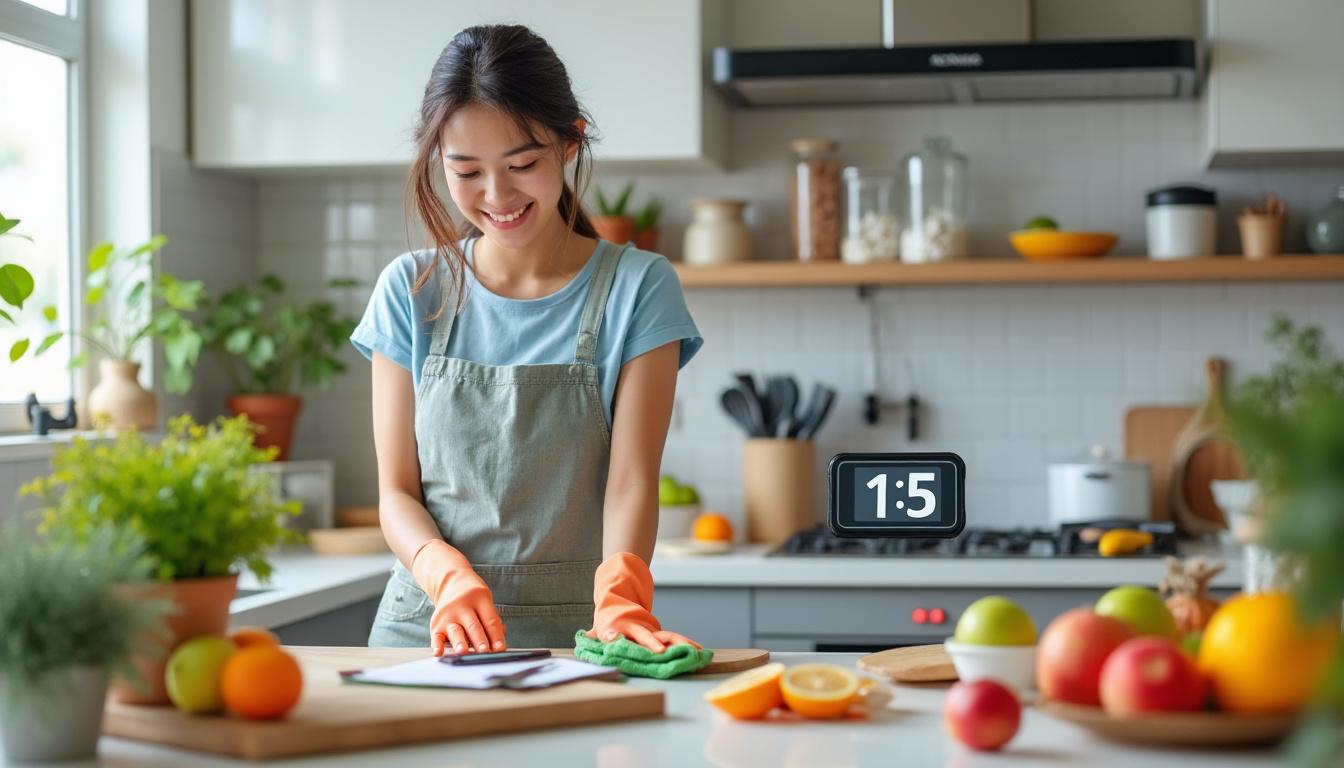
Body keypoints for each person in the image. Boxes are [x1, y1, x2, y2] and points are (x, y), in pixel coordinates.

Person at [350, 24, 703, 657]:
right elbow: (396, 492)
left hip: (578, 635)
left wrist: (622, 600)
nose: (497, 196)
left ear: (571, 143)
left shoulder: (639, 287)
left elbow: (630, 481)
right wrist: (445, 574)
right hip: (425, 631)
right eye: (466, 172)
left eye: (522, 165)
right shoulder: (412, 290)